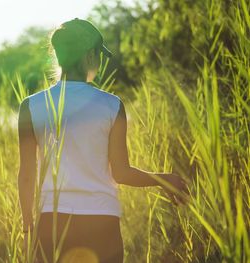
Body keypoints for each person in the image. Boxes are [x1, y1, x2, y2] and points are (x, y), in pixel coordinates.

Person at [17, 18, 189, 263]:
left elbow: (26, 174)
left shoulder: (31, 106)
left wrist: (28, 227)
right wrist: (163, 179)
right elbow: (121, 173)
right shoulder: (111, 105)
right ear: (89, 56)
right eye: (98, 56)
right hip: (101, 223)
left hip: (51, 222)